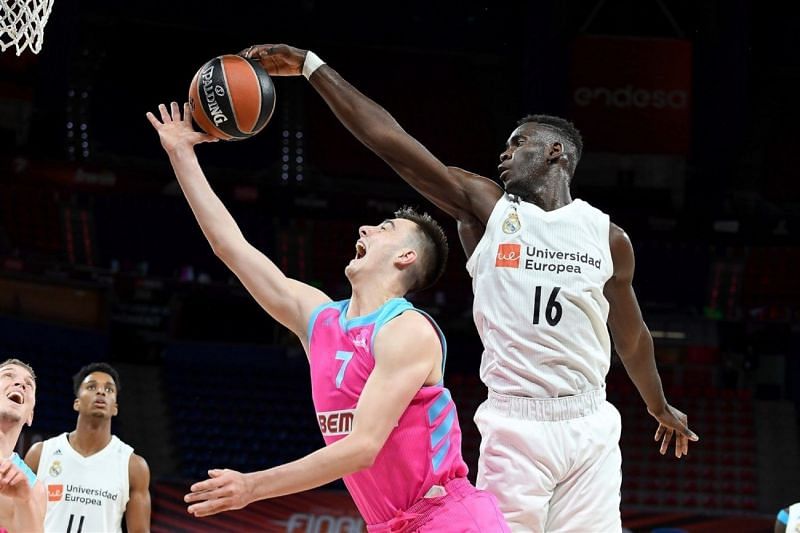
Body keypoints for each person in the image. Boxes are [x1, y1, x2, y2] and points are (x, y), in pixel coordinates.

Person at [240, 43, 701, 532]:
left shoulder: (608, 237)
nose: (504, 153)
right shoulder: (488, 209)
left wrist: (658, 404)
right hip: (516, 423)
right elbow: (392, 142)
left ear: (556, 151)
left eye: (518, 143)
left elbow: (631, 336)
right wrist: (312, 68)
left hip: (591, 421)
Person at [145, 101, 510, 532]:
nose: (364, 230)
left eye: (384, 229)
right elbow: (232, 247)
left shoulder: (407, 330)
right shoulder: (319, 321)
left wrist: (252, 487)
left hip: (448, 517)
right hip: (388, 524)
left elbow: (362, 447)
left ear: (406, 257)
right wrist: (181, 155)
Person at [24, 362, 151, 533]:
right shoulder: (40, 454)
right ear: (77, 402)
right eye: (91, 387)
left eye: (109, 389)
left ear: (115, 408)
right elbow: (18, 517)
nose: (100, 392)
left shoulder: (133, 466)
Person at [0, 358, 45, 533]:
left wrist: (23, 501)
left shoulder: (34, 489)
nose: (20, 384)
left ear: (30, 416)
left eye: (29, 384)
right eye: (8, 375)